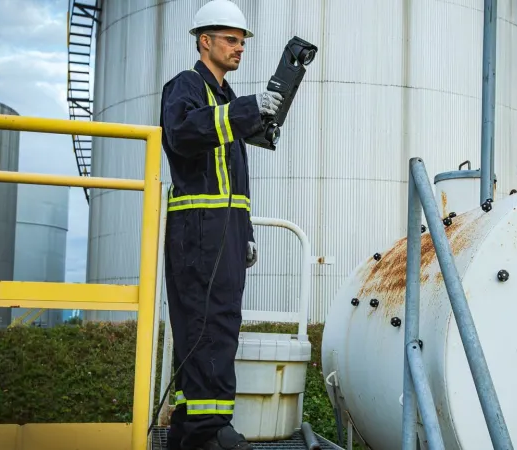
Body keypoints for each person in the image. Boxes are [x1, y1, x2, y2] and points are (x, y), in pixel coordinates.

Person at [159, 1, 283, 449]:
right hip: (197, 225)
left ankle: (201, 427)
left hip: (225, 226)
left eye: (242, 41)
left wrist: (245, 230)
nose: (239, 48)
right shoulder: (186, 87)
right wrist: (245, 110)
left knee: (223, 321)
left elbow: (235, 177)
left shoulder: (226, 98)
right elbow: (183, 134)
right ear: (204, 41)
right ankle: (202, 433)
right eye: (231, 39)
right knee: (202, 322)